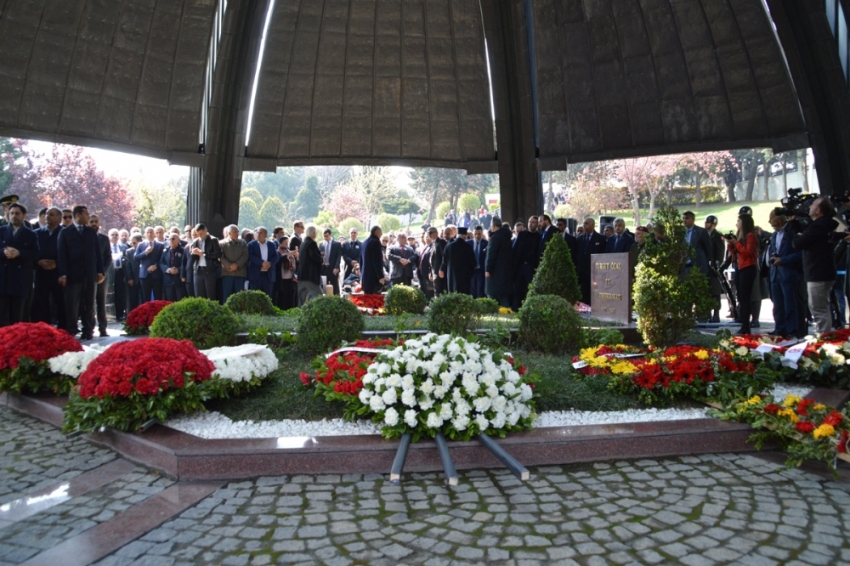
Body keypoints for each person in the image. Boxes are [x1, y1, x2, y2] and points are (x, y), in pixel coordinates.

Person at [57, 205, 104, 340]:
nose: (88, 217)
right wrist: (63, 274)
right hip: (73, 275)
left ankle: (88, 330)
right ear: (78, 215)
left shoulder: (90, 232)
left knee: (89, 304)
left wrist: (100, 271)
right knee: (72, 304)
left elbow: (97, 254)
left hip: (89, 274)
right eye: (86, 214)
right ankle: (71, 329)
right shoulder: (65, 232)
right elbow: (62, 255)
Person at [793, 197, 839, 333]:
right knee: (821, 307)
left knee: (818, 308)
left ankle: (823, 340)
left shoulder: (818, 226)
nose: (809, 207)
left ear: (818, 210)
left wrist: (796, 234)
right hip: (823, 271)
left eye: (812, 205)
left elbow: (798, 244)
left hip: (817, 272)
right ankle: (824, 336)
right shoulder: (824, 225)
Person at [0, 203, 38, 326]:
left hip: (20, 280)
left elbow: (36, 254)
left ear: (23, 215)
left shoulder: (31, 234)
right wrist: (3, 252)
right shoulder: (1, 231)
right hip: (3, 279)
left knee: (17, 316)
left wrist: (19, 253)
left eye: (17, 213)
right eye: (11, 213)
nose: (14, 216)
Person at [769, 209, 804, 337]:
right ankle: (780, 329)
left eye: (771, 218)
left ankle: (792, 331)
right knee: (777, 305)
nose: (769, 222)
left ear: (778, 219)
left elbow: (799, 253)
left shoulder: (790, 233)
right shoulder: (774, 235)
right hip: (775, 274)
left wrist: (783, 260)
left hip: (788, 273)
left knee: (790, 305)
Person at [726, 214, 759, 335]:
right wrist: (731, 244)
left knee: (745, 298)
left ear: (744, 223)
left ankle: (746, 326)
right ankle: (744, 323)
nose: (737, 224)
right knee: (741, 297)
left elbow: (747, 252)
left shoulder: (750, 236)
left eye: (738, 221)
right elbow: (736, 253)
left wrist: (736, 243)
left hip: (748, 268)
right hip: (740, 268)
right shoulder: (740, 236)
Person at [33, 207, 65, 329]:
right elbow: (33, 252)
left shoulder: (64, 232)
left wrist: (57, 263)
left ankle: (63, 330)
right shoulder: (36, 233)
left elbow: (68, 254)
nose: (47, 217)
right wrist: (39, 262)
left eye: (51, 215)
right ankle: (43, 330)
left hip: (58, 273)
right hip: (41, 273)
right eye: (46, 214)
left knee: (61, 302)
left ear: (59, 218)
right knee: (41, 303)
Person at [89, 215, 112, 336]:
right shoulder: (84, 238)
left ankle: (103, 329)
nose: (93, 224)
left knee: (101, 302)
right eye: (91, 221)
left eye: (95, 221)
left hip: (102, 275)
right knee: (90, 302)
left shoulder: (104, 238)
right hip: (89, 276)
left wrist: (102, 273)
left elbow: (108, 257)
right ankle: (90, 328)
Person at [576, 217, 607, 305]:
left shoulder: (601, 238)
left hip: (595, 272)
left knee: (593, 293)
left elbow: (603, 255)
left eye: (586, 223)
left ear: (592, 225)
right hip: (582, 272)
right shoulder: (580, 238)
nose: (584, 226)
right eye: (583, 223)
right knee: (582, 293)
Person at [485, 216, 513, 307]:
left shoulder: (495, 238)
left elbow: (491, 255)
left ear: (493, 226)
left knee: (492, 300)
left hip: (495, 274)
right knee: (504, 298)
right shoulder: (506, 237)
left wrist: (488, 269)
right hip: (505, 273)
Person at [190, 223, 222, 300]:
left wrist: (204, 254)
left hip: (210, 270)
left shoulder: (213, 240)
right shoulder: (195, 242)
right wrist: (193, 253)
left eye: (201, 233)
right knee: (199, 294)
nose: (200, 236)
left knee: (210, 294)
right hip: (198, 270)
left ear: (206, 231)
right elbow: (192, 259)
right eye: (198, 234)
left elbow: (218, 254)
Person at [440, 227, 475, 294]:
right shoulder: (468, 247)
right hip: (464, 278)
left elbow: (444, 262)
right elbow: (473, 263)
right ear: (465, 237)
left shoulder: (448, 246)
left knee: (453, 298)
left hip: (451, 277)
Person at [704, 215, 726, 323]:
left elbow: (720, 252)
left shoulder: (718, 236)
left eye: (708, 223)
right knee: (707, 291)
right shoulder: (704, 235)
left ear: (713, 224)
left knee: (715, 292)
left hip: (713, 267)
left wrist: (717, 264)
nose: (706, 224)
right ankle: (707, 313)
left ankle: (716, 314)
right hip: (705, 267)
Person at [135, 227, 165, 302]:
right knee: (145, 298)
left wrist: (156, 266)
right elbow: (136, 257)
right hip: (144, 275)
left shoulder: (160, 245)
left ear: (154, 233)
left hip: (157, 275)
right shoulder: (140, 245)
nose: (149, 234)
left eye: (151, 232)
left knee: (158, 297)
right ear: (145, 234)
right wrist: (145, 253)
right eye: (147, 232)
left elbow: (163, 259)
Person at [248, 227, 279, 298]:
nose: (258, 234)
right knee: (255, 297)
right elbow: (251, 256)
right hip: (256, 275)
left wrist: (269, 263)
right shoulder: (251, 245)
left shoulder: (271, 245)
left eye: (260, 233)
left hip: (268, 275)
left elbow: (276, 257)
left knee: (268, 297)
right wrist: (262, 263)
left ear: (265, 235)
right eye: (257, 233)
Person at [220, 225, 248, 303]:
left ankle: (240, 313)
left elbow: (245, 255)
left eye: (238, 231)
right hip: (227, 273)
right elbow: (221, 257)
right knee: (227, 296)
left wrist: (237, 265)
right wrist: (229, 266)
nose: (237, 233)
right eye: (235, 232)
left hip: (240, 273)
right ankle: (226, 312)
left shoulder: (243, 243)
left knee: (240, 297)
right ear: (229, 233)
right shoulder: (222, 243)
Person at [682, 211, 713, 277]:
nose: (684, 220)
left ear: (693, 219)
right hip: (684, 268)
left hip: (698, 267)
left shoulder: (701, 232)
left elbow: (708, 249)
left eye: (687, 218)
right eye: (683, 218)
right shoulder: (681, 232)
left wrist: (703, 262)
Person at [296, 225, 323, 304]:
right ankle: (316, 312)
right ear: (313, 233)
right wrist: (321, 259)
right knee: (318, 295)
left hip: (302, 275)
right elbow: (313, 255)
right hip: (310, 275)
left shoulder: (303, 243)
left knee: (302, 297)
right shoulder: (312, 243)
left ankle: (300, 313)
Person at [361, 226, 387, 294]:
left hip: (365, 277)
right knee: (374, 301)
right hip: (373, 278)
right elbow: (376, 261)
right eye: (380, 233)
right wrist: (380, 276)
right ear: (376, 232)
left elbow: (361, 261)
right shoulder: (375, 242)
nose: (381, 235)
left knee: (367, 300)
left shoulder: (364, 242)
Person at [108, 229, 127, 321]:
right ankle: (111, 315)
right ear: (109, 236)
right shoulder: (106, 246)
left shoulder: (123, 247)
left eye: (116, 235)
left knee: (120, 294)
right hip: (110, 273)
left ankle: (120, 314)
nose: (115, 236)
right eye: (112, 235)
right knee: (110, 294)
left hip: (120, 272)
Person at [159, 233, 186, 302]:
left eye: (173, 238)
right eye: (169, 239)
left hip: (179, 280)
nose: (171, 240)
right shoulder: (165, 251)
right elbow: (161, 263)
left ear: (178, 240)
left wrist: (179, 270)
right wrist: (168, 269)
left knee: (180, 301)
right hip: (168, 280)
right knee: (169, 302)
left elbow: (186, 263)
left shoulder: (184, 250)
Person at [276, 237, 298, 310]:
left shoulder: (289, 251)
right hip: (282, 277)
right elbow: (280, 260)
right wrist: (288, 254)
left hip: (290, 277)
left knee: (290, 294)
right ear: (280, 243)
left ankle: (290, 309)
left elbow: (295, 264)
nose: (287, 244)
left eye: (287, 242)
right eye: (285, 243)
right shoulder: (278, 252)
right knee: (282, 295)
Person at [123, 234, 143, 313]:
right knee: (133, 299)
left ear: (140, 242)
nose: (132, 245)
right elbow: (127, 266)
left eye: (134, 243)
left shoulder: (145, 250)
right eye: (131, 243)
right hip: (134, 278)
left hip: (144, 278)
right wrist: (130, 278)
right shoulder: (129, 251)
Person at [319, 228, 342, 295]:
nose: (325, 238)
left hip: (333, 267)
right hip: (324, 268)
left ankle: (337, 299)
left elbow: (338, 256)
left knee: (334, 284)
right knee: (323, 284)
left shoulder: (337, 244)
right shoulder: (321, 244)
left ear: (330, 235)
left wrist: (337, 267)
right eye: (324, 236)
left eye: (327, 236)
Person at [468, 226, 488, 298]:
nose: (477, 236)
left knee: (480, 289)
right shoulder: (468, 243)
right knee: (472, 289)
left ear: (482, 234)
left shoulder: (486, 243)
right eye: (475, 234)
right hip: (471, 270)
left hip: (480, 270)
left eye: (479, 234)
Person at [429, 226, 448, 296]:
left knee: (440, 292)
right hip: (435, 272)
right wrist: (431, 272)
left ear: (436, 233)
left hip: (440, 272)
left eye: (431, 233)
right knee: (436, 291)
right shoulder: (433, 243)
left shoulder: (441, 242)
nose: (429, 235)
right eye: (428, 233)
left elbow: (444, 256)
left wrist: (441, 269)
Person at [418, 232, 434, 300]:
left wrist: (431, 272)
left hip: (428, 275)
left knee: (429, 293)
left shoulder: (433, 247)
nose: (427, 238)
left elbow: (433, 261)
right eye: (425, 236)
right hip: (421, 274)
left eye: (428, 236)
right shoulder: (424, 247)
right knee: (424, 292)